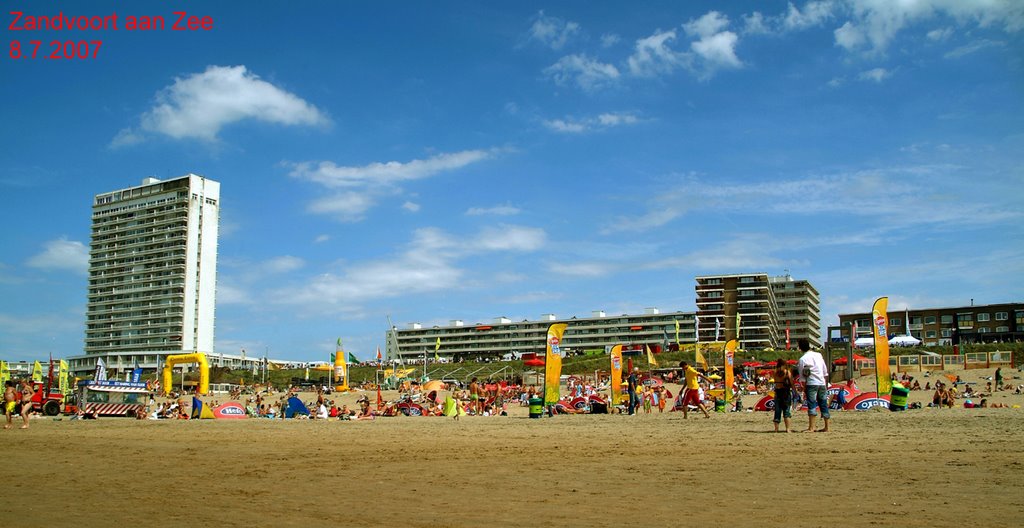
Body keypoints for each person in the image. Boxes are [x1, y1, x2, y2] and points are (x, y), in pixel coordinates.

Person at [796, 338, 830, 432]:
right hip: (821, 382)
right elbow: (824, 370)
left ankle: (812, 427)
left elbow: (802, 376)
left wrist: (803, 385)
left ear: (800, 348)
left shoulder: (802, 359)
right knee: (823, 404)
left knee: (812, 404)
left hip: (811, 383)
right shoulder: (818, 355)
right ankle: (827, 427)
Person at [772, 359, 793, 433]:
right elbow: (791, 383)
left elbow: (775, 381)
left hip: (778, 391)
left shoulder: (775, 372)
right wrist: (795, 392)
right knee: (786, 410)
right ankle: (788, 429)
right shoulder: (787, 372)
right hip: (785, 392)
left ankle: (776, 429)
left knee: (777, 410)